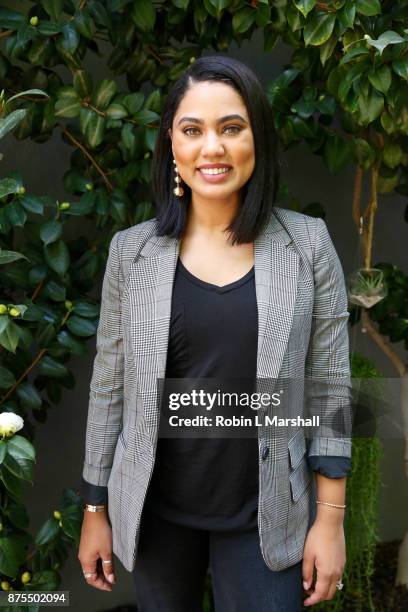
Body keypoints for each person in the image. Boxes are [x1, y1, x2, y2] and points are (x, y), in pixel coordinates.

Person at [78, 55, 353, 611]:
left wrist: (330, 521)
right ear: (172, 146)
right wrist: (94, 509)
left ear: (258, 139)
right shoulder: (132, 253)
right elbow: (110, 388)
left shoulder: (306, 246)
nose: (213, 148)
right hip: (155, 516)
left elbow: (328, 389)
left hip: (268, 516)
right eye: (192, 130)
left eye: (231, 128)